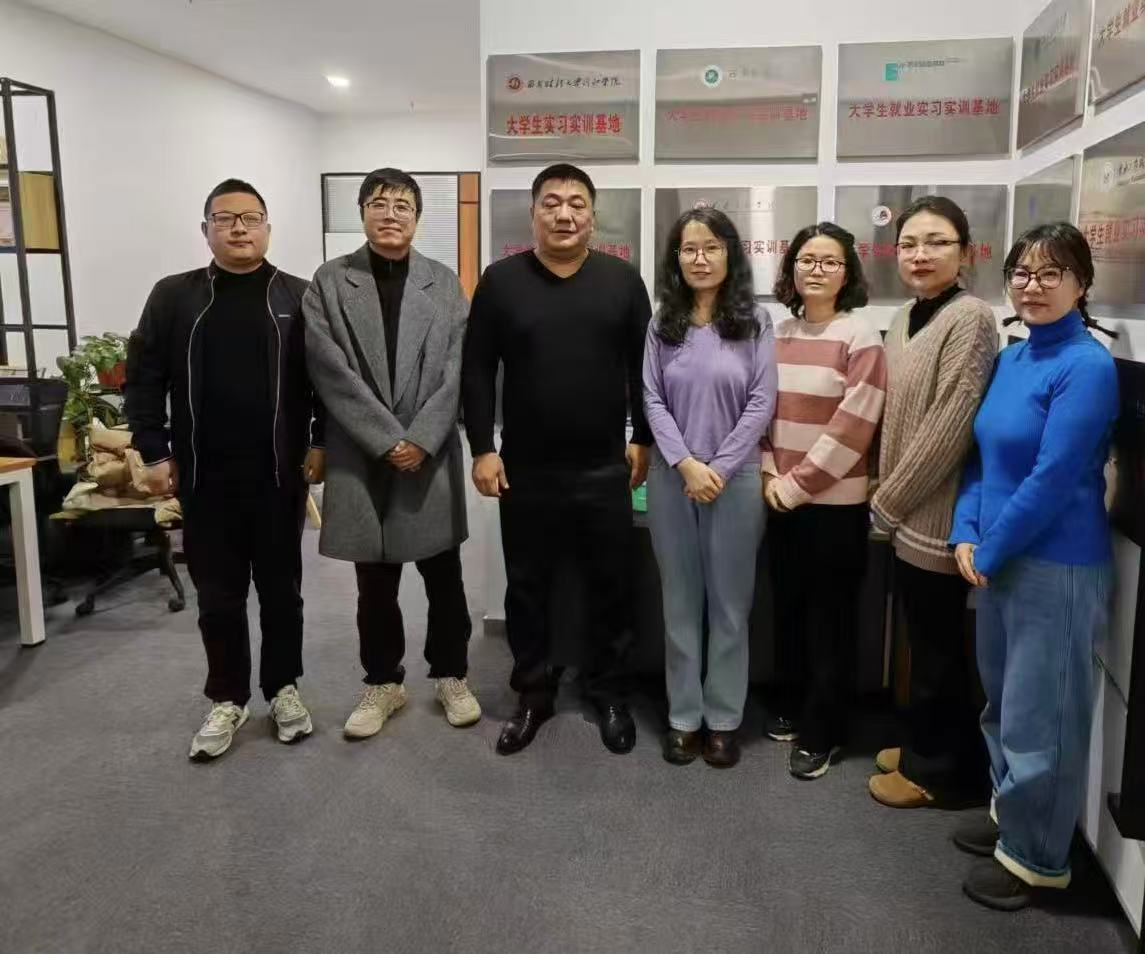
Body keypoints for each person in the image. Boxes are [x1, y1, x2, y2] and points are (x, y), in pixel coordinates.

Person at [126, 179, 325, 761]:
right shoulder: (175, 297)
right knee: (218, 596)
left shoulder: (299, 296)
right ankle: (227, 696)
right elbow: (143, 377)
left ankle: (283, 689)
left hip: (278, 475)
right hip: (205, 477)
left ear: (268, 227)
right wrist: (154, 449)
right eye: (225, 218)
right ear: (206, 229)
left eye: (251, 217)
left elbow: (324, 382)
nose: (239, 228)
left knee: (283, 592)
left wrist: (321, 441)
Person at [949, 223, 1117, 911]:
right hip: (998, 559)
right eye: (1022, 272)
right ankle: (1009, 817)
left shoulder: (1087, 365)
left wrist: (988, 549)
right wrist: (965, 530)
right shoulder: (1013, 356)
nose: (1033, 286)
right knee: (1002, 703)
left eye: (1051, 274)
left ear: (1082, 284)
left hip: (1056, 563)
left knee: (1042, 717)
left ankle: (1038, 857)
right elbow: (982, 457)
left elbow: (1053, 476)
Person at [461, 163, 652, 756]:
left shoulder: (622, 281)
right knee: (526, 587)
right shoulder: (500, 282)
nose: (564, 214)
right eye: (551, 203)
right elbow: (476, 370)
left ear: (592, 215)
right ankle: (533, 693)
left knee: (610, 586)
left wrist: (644, 437)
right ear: (533, 214)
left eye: (576, 203)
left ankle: (608, 691)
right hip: (526, 468)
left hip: (604, 467)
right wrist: (482, 448)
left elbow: (644, 369)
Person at [304, 167, 479, 739]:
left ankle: (451, 674)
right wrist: (386, 439)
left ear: (417, 218)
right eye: (378, 203)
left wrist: (420, 438)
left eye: (403, 205)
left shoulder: (443, 283)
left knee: (443, 573)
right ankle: (383, 682)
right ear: (362, 213)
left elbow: (457, 369)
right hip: (362, 452)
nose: (390, 214)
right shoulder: (330, 282)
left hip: (429, 450)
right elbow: (328, 368)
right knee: (374, 581)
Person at [867, 195, 998, 808]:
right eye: (909, 244)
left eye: (937, 242)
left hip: (935, 517)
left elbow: (950, 426)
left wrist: (888, 501)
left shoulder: (971, 318)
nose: (920, 254)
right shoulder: (906, 316)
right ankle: (923, 747)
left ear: (965, 252)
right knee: (921, 645)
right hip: (903, 514)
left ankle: (944, 774)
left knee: (940, 652)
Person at [643, 208, 777, 769]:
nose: (700, 258)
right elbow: (651, 398)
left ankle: (723, 719)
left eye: (711, 247)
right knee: (678, 603)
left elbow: (762, 400)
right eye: (689, 249)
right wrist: (686, 465)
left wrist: (716, 467)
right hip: (672, 479)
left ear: (730, 255)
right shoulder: (662, 322)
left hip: (735, 479)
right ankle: (683, 717)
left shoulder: (755, 321)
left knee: (729, 606)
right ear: (676, 258)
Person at [763, 222, 885, 780]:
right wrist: (770, 473)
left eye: (830, 261)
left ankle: (825, 731)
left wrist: (794, 486)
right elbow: (760, 408)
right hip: (778, 498)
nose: (816, 270)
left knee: (830, 621)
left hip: (833, 506)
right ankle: (791, 704)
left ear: (847, 272)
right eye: (807, 260)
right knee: (787, 609)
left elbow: (855, 426)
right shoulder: (778, 333)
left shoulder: (861, 336)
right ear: (791, 268)